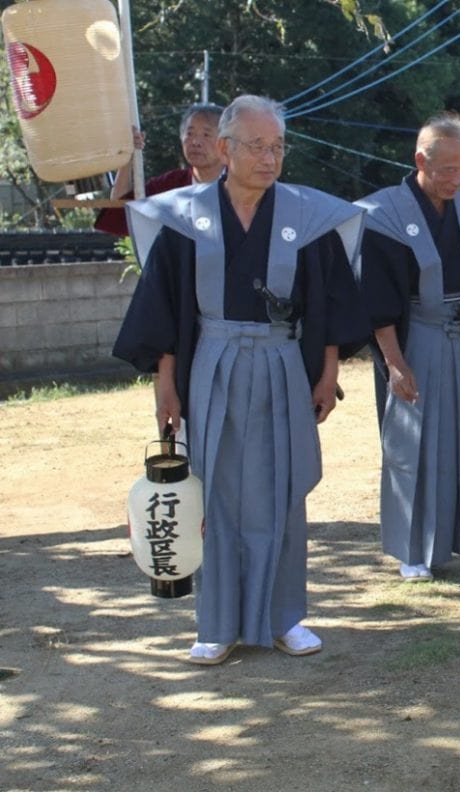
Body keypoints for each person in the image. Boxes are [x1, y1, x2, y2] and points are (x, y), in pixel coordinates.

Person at [112, 95, 369, 665]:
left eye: (278, 146)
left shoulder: (309, 217)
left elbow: (331, 303)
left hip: (281, 363)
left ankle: (285, 618)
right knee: (218, 494)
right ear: (226, 149)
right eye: (258, 146)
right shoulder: (184, 218)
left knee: (280, 493)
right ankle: (217, 623)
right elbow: (166, 309)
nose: (270, 158)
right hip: (214, 361)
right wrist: (166, 386)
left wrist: (327, 374)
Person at [356, 111, 460, 582]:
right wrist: (394, 362)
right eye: (447, 169)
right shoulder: (386, 214)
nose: (458, 179)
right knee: (417, 444)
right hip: (420, 337)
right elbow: (379, 300)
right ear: (420, 161)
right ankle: (415, 550)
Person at [94, 103, 226, 237]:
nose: (195, 142)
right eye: (190, 133)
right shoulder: (170, 185)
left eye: (206, 134)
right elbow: (121, 209)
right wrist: (129, 155)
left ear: (225, 143)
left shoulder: (240, 184)